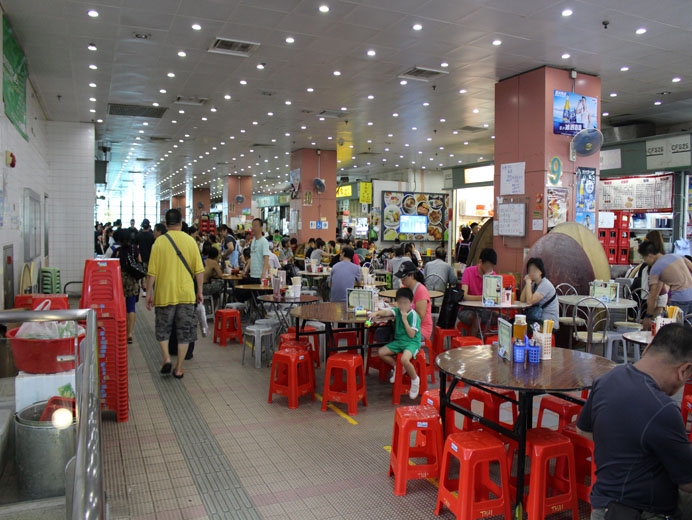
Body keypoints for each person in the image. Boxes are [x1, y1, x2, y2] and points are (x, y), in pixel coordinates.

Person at [577, 324, 692, 519]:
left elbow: (583, 430)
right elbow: (688, 482)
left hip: (602, 506)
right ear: (684, 370)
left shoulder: (607, 380)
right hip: (639, 512)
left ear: (646, 349)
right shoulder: (663, 408)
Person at [145, 209, 204, 379]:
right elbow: (199, 270)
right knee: (184, 332)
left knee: (163, 329)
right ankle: (179, 368)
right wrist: (199, 291)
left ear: (165, 223)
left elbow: (152, 273)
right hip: (186, 294)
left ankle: (166, 358)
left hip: (164, 294)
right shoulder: (190, 241)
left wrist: (149, 293)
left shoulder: (159, 243)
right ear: (181, 222)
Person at [371, 287, 423, 400]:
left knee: (404, 359)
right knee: (381, 352)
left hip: (411, 342)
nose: (403, 306)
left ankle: (415, 380)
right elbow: (387, 311)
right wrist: (377, 313)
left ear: (411, 303)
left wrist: (404, 320)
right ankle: (397, 367)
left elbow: (412, 335)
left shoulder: (413, 315)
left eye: (405, 303)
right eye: (400, 303)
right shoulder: (397, 311)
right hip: (399, 341)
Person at [638, 240, 692, 325]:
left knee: (674, 329)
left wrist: (648, 316)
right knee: (689, 328)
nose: (645, 261)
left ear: (650, 256)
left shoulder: (655, 268)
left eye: (644, 258)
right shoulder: (677, 256)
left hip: (680, 299)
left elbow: (653, 296)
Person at [459, 248, 498, 336]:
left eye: (492, 266)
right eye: (488, 266)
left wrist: (488, 279)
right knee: (476, 317)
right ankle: (472, 345)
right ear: (480, 262)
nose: (490, 269)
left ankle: (487, 343)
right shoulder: (468, 272)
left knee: (503, 319)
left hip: (484, 310)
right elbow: (464, 296)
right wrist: (483, 298)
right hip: (467, 310)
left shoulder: (492, 275)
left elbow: (493, 297)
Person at [113, 229, 142, 344]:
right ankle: (130, 333)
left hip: (120, 281)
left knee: (122, 306)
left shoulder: (117, 251)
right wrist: (143, 281)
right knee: (131, 307)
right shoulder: (135, 250)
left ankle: (123, 330)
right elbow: (140, 265)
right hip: (132, 281)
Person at [395, 261, 433, 341]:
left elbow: (420, 316)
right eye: (401, 278)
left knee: (391, 335)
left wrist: (403, 315)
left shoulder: (420, 290)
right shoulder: (405, 288)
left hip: (420, 329)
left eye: (404, 278)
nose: (402, 281)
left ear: (412, 276)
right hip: (409, 325)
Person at [520, 257, 559, 329]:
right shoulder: (534, 284)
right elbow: (522, 299)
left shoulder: (545, 284)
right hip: (538, 320)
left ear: (541, 272)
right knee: (514, 322)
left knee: (520, 326)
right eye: (529, 271)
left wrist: (528, 283)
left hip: (548, 324)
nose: (531, 273)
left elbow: (529, 301)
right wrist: (527, 283)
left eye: (534, 270)